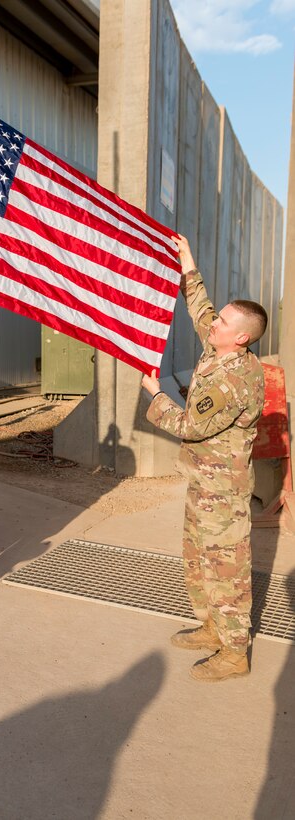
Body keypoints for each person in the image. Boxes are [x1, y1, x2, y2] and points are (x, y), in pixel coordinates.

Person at [141, 234, 267, 682]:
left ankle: (235, 652)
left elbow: (192, 426)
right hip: (204, 482)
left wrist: (155, 396)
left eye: (224, 322)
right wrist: (187, 261)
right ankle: (212, 627)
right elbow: (201, 309)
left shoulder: (234, 379)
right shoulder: (222, 346)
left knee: (227, 570)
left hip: (223, 490)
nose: (214, 323)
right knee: (198, 559)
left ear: (242, 337)